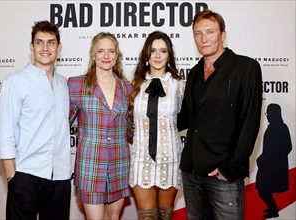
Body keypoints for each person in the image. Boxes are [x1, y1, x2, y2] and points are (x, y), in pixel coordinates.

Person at [177, 9, 262, 219]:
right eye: (198, 33)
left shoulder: (245, 67)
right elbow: (186, 118)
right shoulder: (194, 72)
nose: (203, 39)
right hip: (191, 172)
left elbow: (249, 122)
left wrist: (229, 169)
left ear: (222, 35)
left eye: (210, 32)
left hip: (223, 174)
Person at [0, 20, 71, 220]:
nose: (45, 48)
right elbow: (5, 134)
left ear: (59, 47)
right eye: (39, 42)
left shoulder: (64, 84)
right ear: (31, 47)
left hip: (60, 177)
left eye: (51, 42)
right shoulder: (15, 82)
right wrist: (13, 178)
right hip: (27, 174)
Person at [68, 32, 133, 220]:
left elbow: (130, 128)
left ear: (117, 55)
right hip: (90, 164)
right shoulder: (76, 85)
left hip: (119, 164)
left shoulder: (127, 88)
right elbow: (62, 124)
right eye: (101, 51)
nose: (106, 56)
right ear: (93, 54)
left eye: (111, 51)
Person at [129, 31, 185, 220]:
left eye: (163, 51)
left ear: (169, 55)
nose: (158, 56)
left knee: (165, 216)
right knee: (147, 217)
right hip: (141, 159)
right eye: (153, 51)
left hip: (169, 159)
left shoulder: (179, 86)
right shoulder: (135, 84)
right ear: (146, 55)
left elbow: (190, 119)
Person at [256, 103, 292, 219]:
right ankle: (273, 208)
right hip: (269, 164)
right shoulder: (277, 127)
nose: (267, 115)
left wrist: (269, 158)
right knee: (262, 188)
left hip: (272, 166)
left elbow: (286, 147)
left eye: (268, 113)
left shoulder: (280, 127)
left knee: (262, 188)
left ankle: (273, 209)